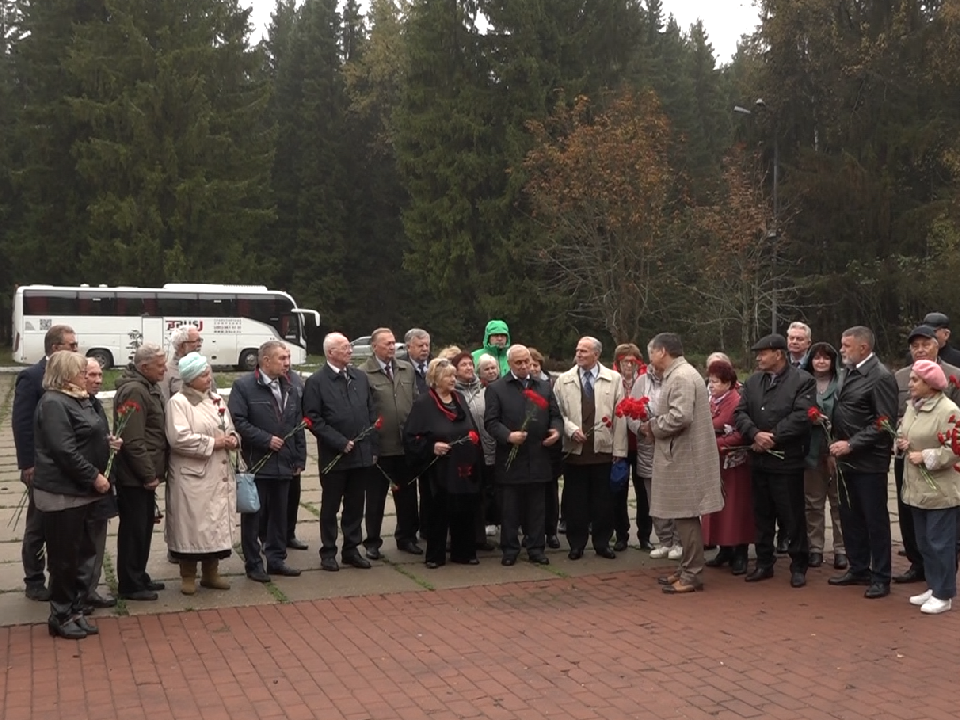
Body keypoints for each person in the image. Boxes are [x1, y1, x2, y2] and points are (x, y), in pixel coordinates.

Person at [32, 351, 112, 638]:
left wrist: (107, 443)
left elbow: (88, 434)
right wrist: (94, 476)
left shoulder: (78, 399)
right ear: (67, 374)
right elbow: (63, 450)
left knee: (81, 554)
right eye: (81, 371)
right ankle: (61, 614)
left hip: (83, 491)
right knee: (64, 557)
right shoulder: (54, 402)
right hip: (63, 492)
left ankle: (75, 608)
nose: (87, 376)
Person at [642, 333, 723, 594]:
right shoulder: (681, 374)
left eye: (651, 352)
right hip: (681, 454)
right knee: (682, 515)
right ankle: (688, 568)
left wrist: (653, 427)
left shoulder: (681, 376)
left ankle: (692, 573)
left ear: (662, 351)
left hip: (684, 457)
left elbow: (681, 416)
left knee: (686, 515)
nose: (649, 358)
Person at [735, 334, 816, 588]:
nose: (758, 357)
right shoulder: (753, 381)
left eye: (763, 352)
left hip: (787, 460)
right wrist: (754, 434)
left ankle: (798, 564)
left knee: (792, 515)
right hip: (758, 459)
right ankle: (763, 562)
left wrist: (774, 437)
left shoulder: (803, 380)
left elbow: (802, 416)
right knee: (762, 514)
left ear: (778, 354)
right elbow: (740, 412)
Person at [828, 326, 899, 599]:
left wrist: (852, 443)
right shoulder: (848, 372)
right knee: (850, 516)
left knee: (875, 519)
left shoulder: (879, 376)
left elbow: (884, 422)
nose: (842, 349)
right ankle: (858, 568)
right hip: (846, 460)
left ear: (863, 348)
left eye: (846, 345)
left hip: (869, 461)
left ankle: (881, 576)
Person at [229, 341, 306, 582]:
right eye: (282, 358)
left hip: (284, 463)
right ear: (265, 361)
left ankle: (276, 559)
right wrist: (265, 439)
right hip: (257, 463)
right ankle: (253, 564)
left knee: (279, 515)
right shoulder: (244, 386)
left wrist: (299, 456)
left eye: (288, 358)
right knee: (254, 516)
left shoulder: (291, 386)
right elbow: (238, 421)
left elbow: (297, 424)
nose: (287, 363)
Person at [12, 324, 77, 601]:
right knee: (38, 523)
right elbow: (22, 423)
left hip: (66, 464)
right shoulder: (32, 377)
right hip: (40, 466)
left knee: (63, 527)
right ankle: (34, 578)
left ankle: (60, 577)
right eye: (71, 345)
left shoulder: (73, 374)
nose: (77, 349)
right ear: (55, 348)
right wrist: (28, 464)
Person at [303, 333, 378, 572]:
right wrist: (339, 441)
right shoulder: (316, 382)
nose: (350, 351)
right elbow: (312, 419)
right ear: (330, 353)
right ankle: (328, 551)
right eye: (345, 348)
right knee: (330, 506)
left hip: (361, 455)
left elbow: (370, 412)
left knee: (356, 505)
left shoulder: (359, 377)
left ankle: (351, 549)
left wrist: (370, 445)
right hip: (335, 456)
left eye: (349, 347)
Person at [165, 353, 238, 594]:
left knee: (214, 525)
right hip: (192, 475)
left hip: (218, 473)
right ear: (191, 378)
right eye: (204, 375)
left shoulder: (217, 399)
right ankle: (188, 574)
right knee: (192, 526)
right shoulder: (179, 403)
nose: (209, 378)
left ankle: (211, 572)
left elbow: (229, 426)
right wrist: (215, 443)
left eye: (209, 373)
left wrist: (234, 438)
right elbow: (179, 438)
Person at [892, 325, 960, 584]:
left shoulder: (954, 377)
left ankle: (943, 581)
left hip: (943, 464)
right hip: (909, 460)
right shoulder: (901, 377)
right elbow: (896, 412)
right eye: (914, 346)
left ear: (938, 344)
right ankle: (919, 566)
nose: (920, 350)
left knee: (941, 529)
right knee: (912, 516)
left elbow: (955, 429)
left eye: (925, 344)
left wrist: (930, 452)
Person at [484, 344, 562, 566]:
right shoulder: (497, 388)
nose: (524, 366)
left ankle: (536, 548)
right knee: (510, 508)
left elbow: (555, 415)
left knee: (537, 508)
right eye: (518, 362)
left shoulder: (544, 386)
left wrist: (556, 431)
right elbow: (491, 421)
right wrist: (508, 436)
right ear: (509, 364)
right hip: (511, 458)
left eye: (527, 361)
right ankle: (510, 549)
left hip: (538, 456)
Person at [405, 358, 483, 568]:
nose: (453, 379)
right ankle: (435, 555)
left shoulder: (459, 399)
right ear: (436, 379)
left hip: (463, 466)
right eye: (449, 376)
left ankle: (464, 552)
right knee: (439, 510)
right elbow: (411, 437)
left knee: (465, 508)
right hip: (439, 469)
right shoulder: (424, 403)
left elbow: (470, 426)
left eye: (453, 375)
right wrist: (432, 447)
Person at [554, 337, 628, 560]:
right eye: (577, 350)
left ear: (596, 354)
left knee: (602, 502)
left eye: (584, 351)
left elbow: (621, 415)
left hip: (603, 451)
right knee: (576, 501)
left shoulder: (614, 379)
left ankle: (602, 542)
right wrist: (570, 429)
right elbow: (557, 413)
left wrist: (619, 450)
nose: (579, 354)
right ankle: (576, 544)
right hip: (575, 451)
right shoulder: (563, 380)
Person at [114, 343, 169, 601]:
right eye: (160, 366)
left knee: (143, 528)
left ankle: (139, 574)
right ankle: (130, 583)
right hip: (134, 477)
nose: (165, 369)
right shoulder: (135, 391)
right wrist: (148, 474)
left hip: (143, 474)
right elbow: (133, 439)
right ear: (144, 367)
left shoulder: (148, 387)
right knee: (134, 530)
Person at [360, 328, 421, 558]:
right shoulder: (363, 373)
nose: (392, 347)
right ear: (374, 346)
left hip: (405, 445)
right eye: (386, 343)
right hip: (380, 446)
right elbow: (362, 410)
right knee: (375, 497)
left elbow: (415, 401)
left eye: (394, 342)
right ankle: (372, 542)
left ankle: (406, 537)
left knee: (407, 496)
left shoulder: (407, 370)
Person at [702, 359, 753, 576]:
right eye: (710, 381)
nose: (711, 385)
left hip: (735, 464)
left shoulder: (736, 401)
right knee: (718, 507)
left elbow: (742, 433)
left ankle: (740, 552)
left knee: (736, 507)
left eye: (715, 382)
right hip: (715, 464)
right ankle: (724, 548)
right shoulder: (710, 400)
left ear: (728, 383)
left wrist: (717, 443)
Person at [800, 342, 847, 570]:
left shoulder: (841, 384)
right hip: (809, 450)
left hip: (836, 450)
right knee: (813, 502)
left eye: (825, 358)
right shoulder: (803, 383)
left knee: (838, 501)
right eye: (816, 358)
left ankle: (841, 549)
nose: (820, 362)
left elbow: (846, 416)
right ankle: (815, 548)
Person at [629, 359, 681, 559]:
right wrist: (640, 427)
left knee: (677, 497)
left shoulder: (678, 379)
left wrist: (659, 428)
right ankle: (664, 540)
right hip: (648, 448)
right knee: (655, 499)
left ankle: (679, 541)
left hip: (673, 446)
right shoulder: (641, 382)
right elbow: (629, 411)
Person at [79, 358, 119, 611]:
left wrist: (110, 443)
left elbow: (96, 437)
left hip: (101, 482)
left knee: (96, 539)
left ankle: (89, 589)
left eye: (100, 375)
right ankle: (77, 593)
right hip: (82, 483)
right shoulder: (68, 405)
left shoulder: (94, 404)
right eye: (91, 375)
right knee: (80, 544)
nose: (98, 380)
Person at [453, 351, 497, 552]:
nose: (469, 368)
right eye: (464, 365)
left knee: (483, 493)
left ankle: (480, 537)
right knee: (463, 495)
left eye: (471, 364)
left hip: (486, 447)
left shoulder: (486, 390)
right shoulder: (452, 392)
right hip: (463, 451)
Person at [611, 343, 651, 551]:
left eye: (632, 361)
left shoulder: (645, 381)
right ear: (618, 362)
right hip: (619, 443)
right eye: (624, 361)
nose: (628, 365)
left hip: (642, 443)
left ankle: (644, 534)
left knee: (644, 491)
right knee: (618, 489)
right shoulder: (612, 379)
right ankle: (621, 534)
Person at [529, 348, 562, 549]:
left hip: (549, 448)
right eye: (527, 364)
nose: (531, 368)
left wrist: (556, 431)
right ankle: (532, 532)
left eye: (535, 364)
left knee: (550, 492)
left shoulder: (550, 385)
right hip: (528, 448)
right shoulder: (520, 386)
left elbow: (557, 414)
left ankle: (551, 531)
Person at [405, 327, 432, 536]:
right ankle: (407, 530)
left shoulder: (433, 368)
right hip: (409, 433)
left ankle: (426, 526)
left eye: (427, 345)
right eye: (420, 345)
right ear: (408, 347)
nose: (425, 349)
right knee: (406, 488)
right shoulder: (402, 369)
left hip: (431, 435)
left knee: (429, 486)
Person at [473, 353, 501, 537]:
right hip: (483, 443)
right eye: (486, 369)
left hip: (502, 442)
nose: (491, 372)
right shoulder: (476, 391)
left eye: (493, 368)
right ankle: (489, 519)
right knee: (487, 486)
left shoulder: (505, 387)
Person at [162, 325, 217, 403]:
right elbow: (165, 404)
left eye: (200, 340)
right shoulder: (167, 371)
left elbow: (214, 395)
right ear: (182, 346)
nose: (199, 344)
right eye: (196, 341)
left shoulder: (205, 365)